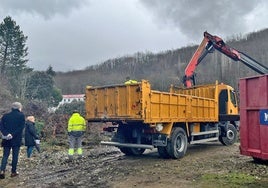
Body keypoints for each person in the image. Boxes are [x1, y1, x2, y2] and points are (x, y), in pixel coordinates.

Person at [0, 102, 25, 179]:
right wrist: (13, 134)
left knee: (5, 155)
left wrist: (7, 134)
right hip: (16, 139)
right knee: (15, 156)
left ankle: (2, 171)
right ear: (19, 108)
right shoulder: (21, 116)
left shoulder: (5, 116)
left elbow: (1, 126)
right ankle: (13, 172)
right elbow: (21, 127)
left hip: (6, 139)